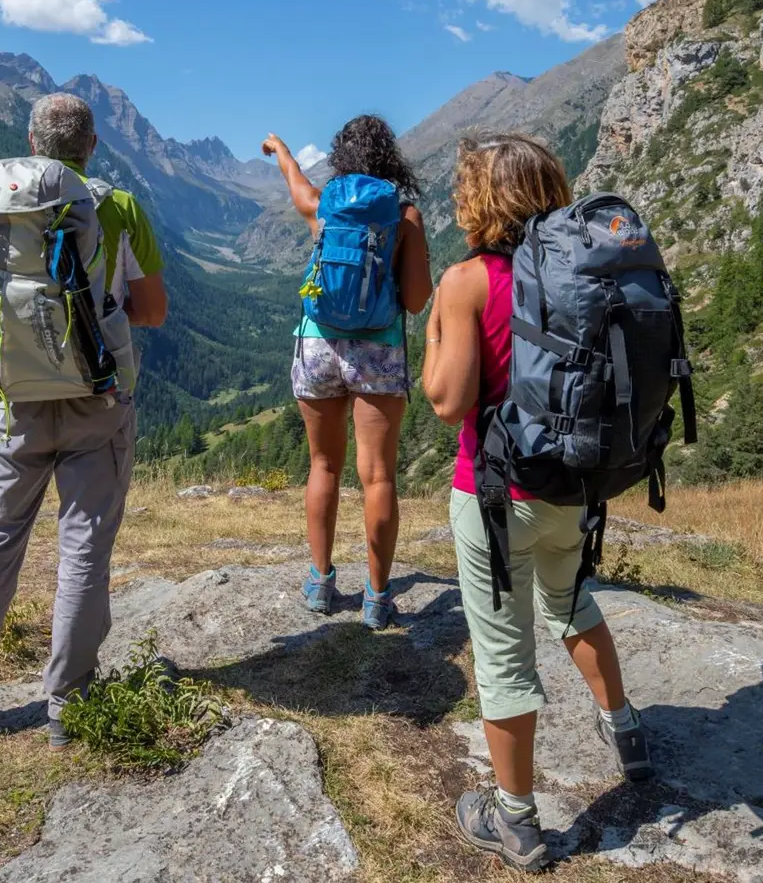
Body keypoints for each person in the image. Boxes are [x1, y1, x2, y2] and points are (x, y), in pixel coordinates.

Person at [422, 133, 651, 872]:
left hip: (496, 497)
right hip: (576, 490)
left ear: (477, 199)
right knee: (571, 602)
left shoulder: (468, 280)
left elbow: (448, 399)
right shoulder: (580, 271)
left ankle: (513, 819)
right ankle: (626, 729)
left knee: (502, 656)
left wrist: (433, 333)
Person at [0, 92, 168, 747]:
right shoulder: (115, 209)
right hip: (98, 403)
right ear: (90, 148)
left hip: (16, 406)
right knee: (83, 544)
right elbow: (152, 311)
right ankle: (69, 700)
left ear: (32, 146)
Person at [262, 116, 432, 629]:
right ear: (388, 160)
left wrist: (282, 149)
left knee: (323, 466)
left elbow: (296, 183)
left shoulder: (324, 205)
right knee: (377, 475)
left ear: (341, 158)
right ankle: (377, 598)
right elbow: (419, 300)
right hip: (377, 351)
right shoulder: (403, 215)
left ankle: (320, 582)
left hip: (317, 343)